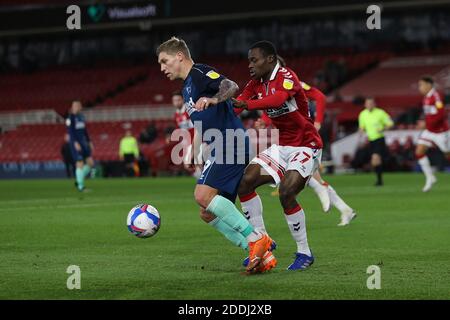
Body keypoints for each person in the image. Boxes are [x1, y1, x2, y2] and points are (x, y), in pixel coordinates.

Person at [157, 36, 275, 274]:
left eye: (164, 61)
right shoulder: (187, 87)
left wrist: (213, 98)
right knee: (207, 212)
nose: (162, 68)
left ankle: (256, 239)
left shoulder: (200, 73)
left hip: (230, 142)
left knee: (202, 195)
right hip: (221, 146)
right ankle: (262, 255)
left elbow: (231, 86)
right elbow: (202, 124)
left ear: (179, 56)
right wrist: (195, 150)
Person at [231, 41, 323, 271]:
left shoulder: (286, 75)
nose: (250, 65)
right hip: (282, 147)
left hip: (306, 146)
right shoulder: (255, 84)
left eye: (255, 60)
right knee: (245, 182)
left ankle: (304, 252)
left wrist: (248, 104)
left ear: (270, 59)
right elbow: (237, 106)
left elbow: (279, 99)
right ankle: (262, 241)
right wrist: (213, 111)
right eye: (249, 61)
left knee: (286, 192)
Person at [416, 75, 450, 192]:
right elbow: (428, 114)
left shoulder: (436, 96)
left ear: (429, 85)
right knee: (419, 152)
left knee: (447, 155)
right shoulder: (426, 98)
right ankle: (430, 177)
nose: (419, 87)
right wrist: (423, 122)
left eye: (421, 85)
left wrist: (426, 123)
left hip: (441, 132)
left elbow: (441, 115)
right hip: (429, 131)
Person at [358, 97, 394, 186]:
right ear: (365, 104)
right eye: (367, 103)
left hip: (379, 139)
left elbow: (390, 124)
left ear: (374, 104)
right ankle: (380, 180)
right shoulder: (362, 114)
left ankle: (379, 181)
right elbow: (362, 127)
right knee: (375, 161)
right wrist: (361, 133)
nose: (369, 105)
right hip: (371, 140)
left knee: (375, 158)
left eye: (371, 103)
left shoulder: (380, 113)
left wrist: (383, 128)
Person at [66, 100, 95, 192]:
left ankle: (79, 180)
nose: (77, 107)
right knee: (80, 163)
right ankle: (81, 187)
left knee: (90, 163)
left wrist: (89, 141)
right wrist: (75, 142)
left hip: (83, 143)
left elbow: (85, 131)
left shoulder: (81, 117)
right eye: (75, 106)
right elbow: (70, 131)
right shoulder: (70, 118)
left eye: (79, 105)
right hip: (75, 143)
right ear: (72, 107)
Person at [172, 90, 202, 178]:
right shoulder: (176, 115)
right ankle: (203, 180)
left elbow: (199, 125)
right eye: (174, 100)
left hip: (198, 141)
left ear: (183, 100)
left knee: (197, 163)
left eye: (178, 100)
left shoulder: (190, 110)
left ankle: (205, 184)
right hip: (188, 143)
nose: (176, 102)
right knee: (189, 165)